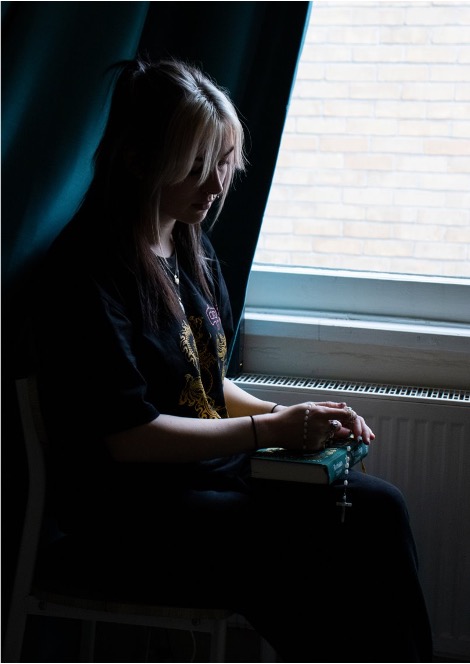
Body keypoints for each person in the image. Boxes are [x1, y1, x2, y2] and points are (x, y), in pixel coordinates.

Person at [30, 56, 433, 662]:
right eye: (196, 167)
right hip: (129, 512)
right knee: (313, 548)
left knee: (378, 508)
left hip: (199, 481)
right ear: (139, 158)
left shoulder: (187, 241)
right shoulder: (89, 270)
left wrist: (292, 417)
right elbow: (128, 438)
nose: (216, 186)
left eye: (221, 163)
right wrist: (267, 429)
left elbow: (207, 384)